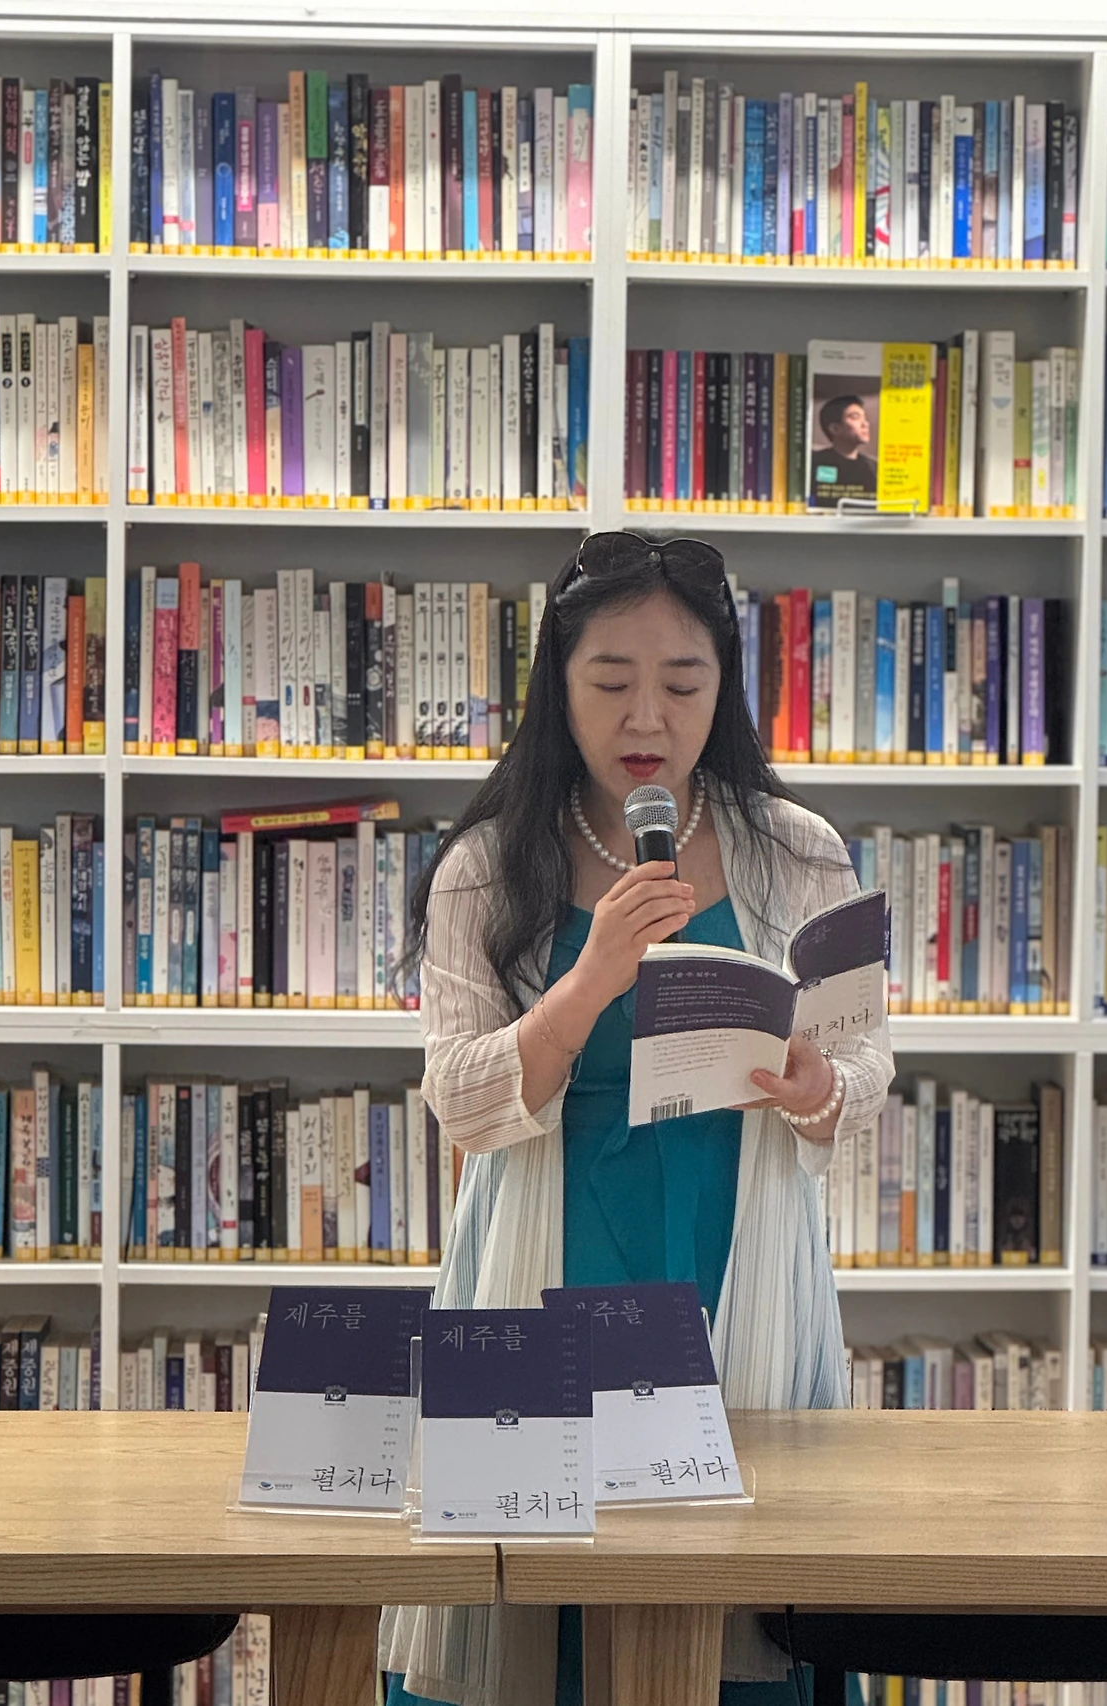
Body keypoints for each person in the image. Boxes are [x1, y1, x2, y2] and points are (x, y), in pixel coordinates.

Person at [380, 531, 894, 1706]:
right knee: (536, 1572)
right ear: (558, 687)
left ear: (726, 687)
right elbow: (458, 1096)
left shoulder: (796, 848)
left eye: (683, 681)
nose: (646, 716)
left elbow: (866, 1059)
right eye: (610, 680)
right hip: (546, 1237)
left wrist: (818, 1086)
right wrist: (587, 979)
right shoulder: (485, 864)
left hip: (734, 1242)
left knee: (733, 1584)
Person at [813, 392, 878, 503]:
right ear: (835, 428)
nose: (865, 424)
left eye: (864, 418)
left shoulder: (873, 468)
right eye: (855, 417)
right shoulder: (815, 462)